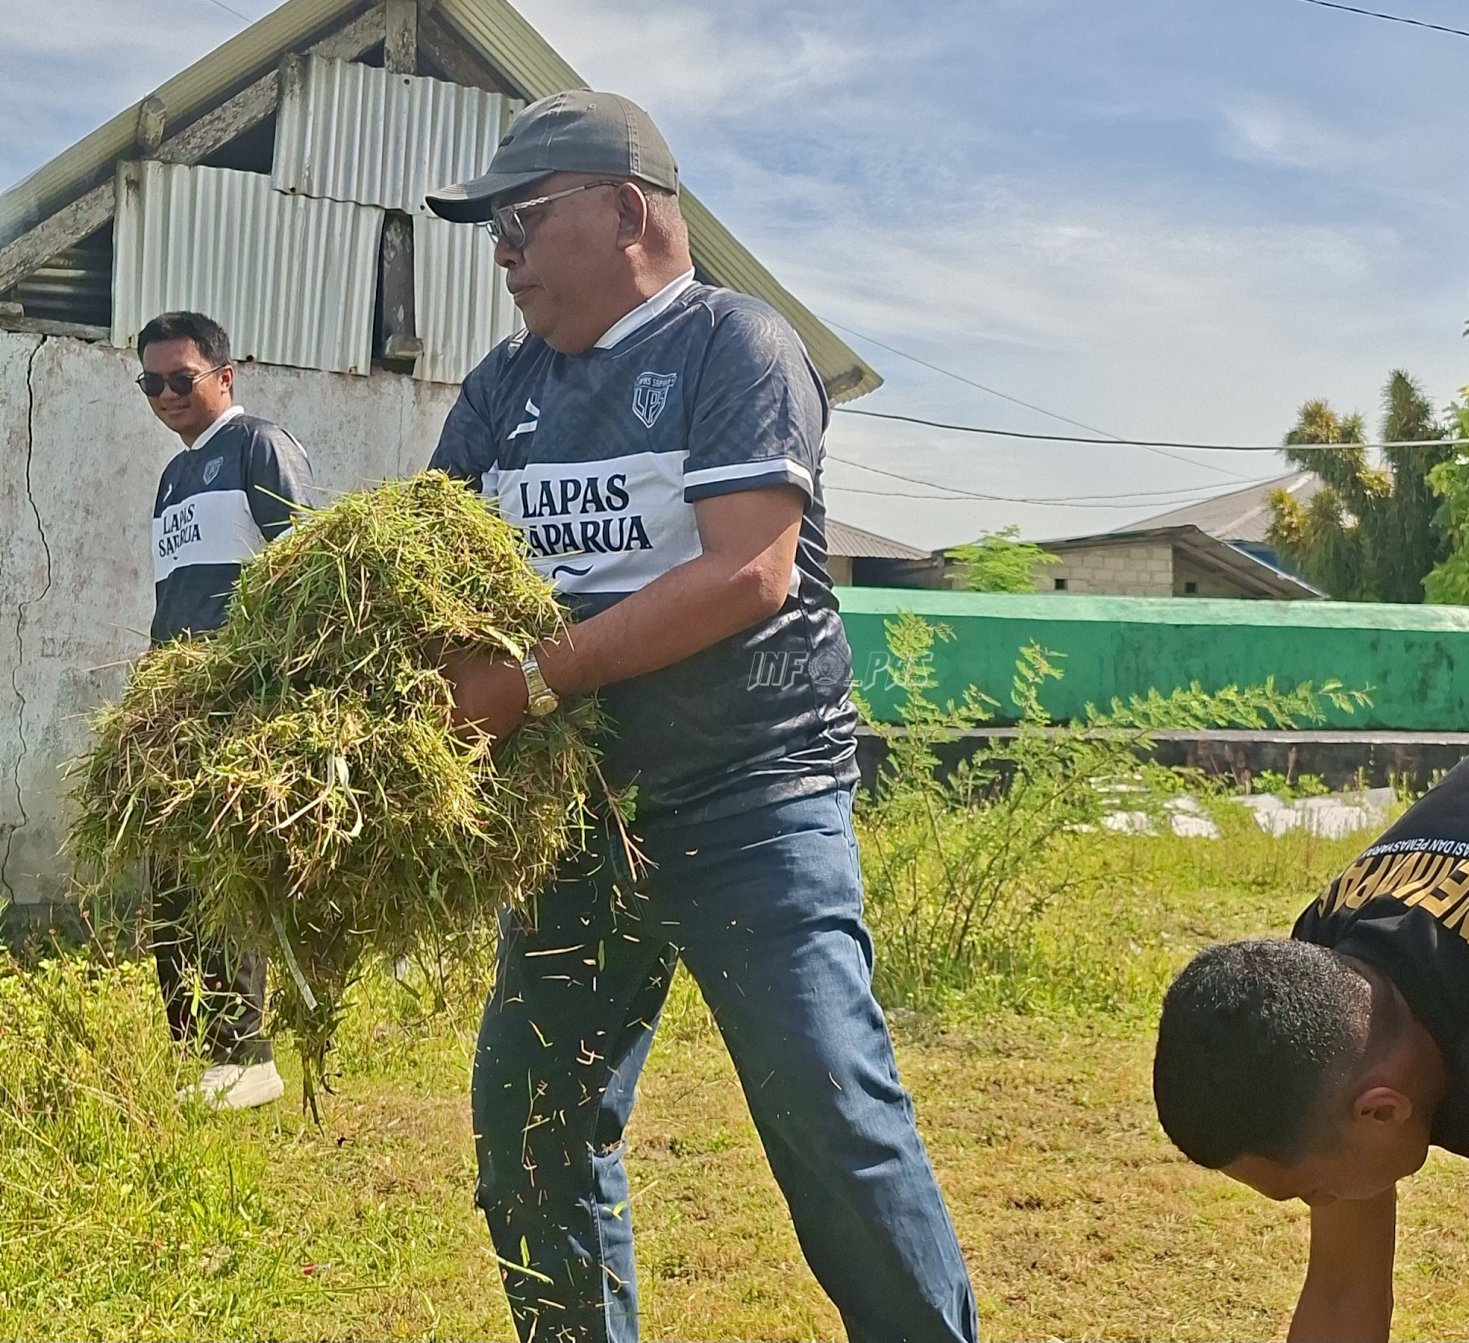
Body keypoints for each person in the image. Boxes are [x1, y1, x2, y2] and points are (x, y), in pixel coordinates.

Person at [423, 91, 978, 1343]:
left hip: (750, 799)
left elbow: (747, 573)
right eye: (493, 230)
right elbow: (434, 566)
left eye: (522, 219)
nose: (501, 252)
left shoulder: (736, 346)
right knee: (532, 1120)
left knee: (830, 1112)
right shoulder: (504, 387)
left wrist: (526, 685)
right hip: (580, 820)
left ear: (627, 211)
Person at [1152, 647, 1469, 1342]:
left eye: (1315, 1191)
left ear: (1382, 1108)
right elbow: (1343, 1295)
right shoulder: (1332, 993)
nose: (1320, 1203)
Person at [140, 310, 315, 1112]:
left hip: (236, 700)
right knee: (170, 878)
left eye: (182, 378)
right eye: (151, 382)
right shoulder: (172, 478)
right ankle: (199, 1053)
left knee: (223, 872)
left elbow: (307, 576)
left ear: (225, 374)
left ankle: (248, 1054)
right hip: (173, 703)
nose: (166, 394)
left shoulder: (258, 447)